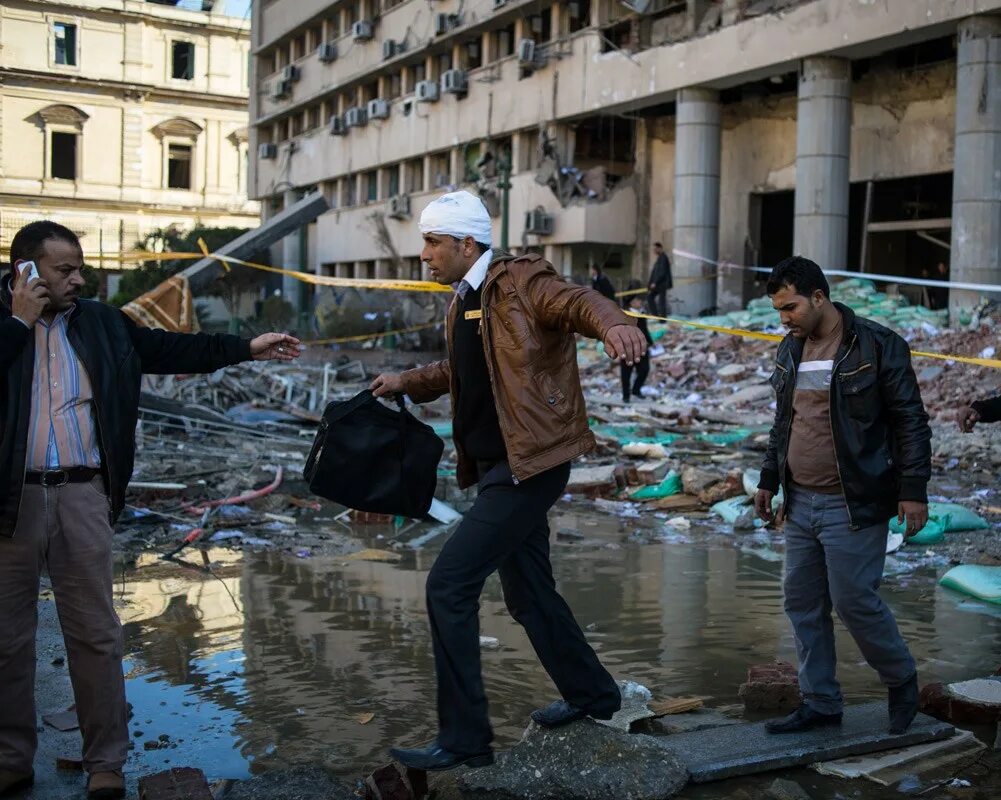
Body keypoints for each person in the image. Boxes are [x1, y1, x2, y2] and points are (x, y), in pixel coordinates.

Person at [0, 221, 302, 799]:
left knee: (95, 634)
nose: (79, 279)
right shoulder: (3, 324)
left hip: (82, 495)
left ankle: (105, 764)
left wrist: (245, 348)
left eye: (80, 268)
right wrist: (19, 323)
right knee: (7, 640)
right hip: (9, 499)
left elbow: (171, 347)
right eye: (65, 270)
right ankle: (11, 758)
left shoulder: (103, 325)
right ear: (27, 271)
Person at [370, 191, 646, 772]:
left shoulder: (520, 281)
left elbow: (577, 303)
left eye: (431, 243)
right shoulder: (463, 301)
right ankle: (594, 695)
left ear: (465, 244)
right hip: (502, 466)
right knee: (528, 594)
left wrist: (616, 322)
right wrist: (405, 381)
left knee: (448, 585)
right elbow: (463, 370)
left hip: (532, 463)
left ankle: (466, 739)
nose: (423, 254)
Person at [754, 256, 931, 737]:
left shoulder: (877, 345)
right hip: (801, 500)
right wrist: (769, 479)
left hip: (852, 502)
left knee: (855, 601)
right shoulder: (789, 351)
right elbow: (782, 422)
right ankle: (821, 703)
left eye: (790, 307)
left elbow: (910, 421)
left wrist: (913, 490)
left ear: (818, 297)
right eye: (777, 310)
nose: (784, 318)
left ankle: (901, 679)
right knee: (802, 602)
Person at [621, 293, 653, 403]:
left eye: (640, 300)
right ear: (631, 303)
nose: (640, 302)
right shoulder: (625, 314)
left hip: (642, 347)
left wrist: (650, 342)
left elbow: (645, 329)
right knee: (626, 372)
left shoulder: (641, 313)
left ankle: (636, 390)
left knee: (644, 369)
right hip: (629, 347)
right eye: (637, 300)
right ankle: (626, 396)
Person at [647, 242, 672, 317]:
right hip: (657, 284)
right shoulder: (659, 258)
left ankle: (662, 319)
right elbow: (654, 272)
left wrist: (655, 282)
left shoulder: (663, 258)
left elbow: (662, 272)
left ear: (660, 248)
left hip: (661, 284)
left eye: (655, 249)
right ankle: (656, 316)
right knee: (650, 297)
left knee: (661, 301)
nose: (654, 251)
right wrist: (650, 283)